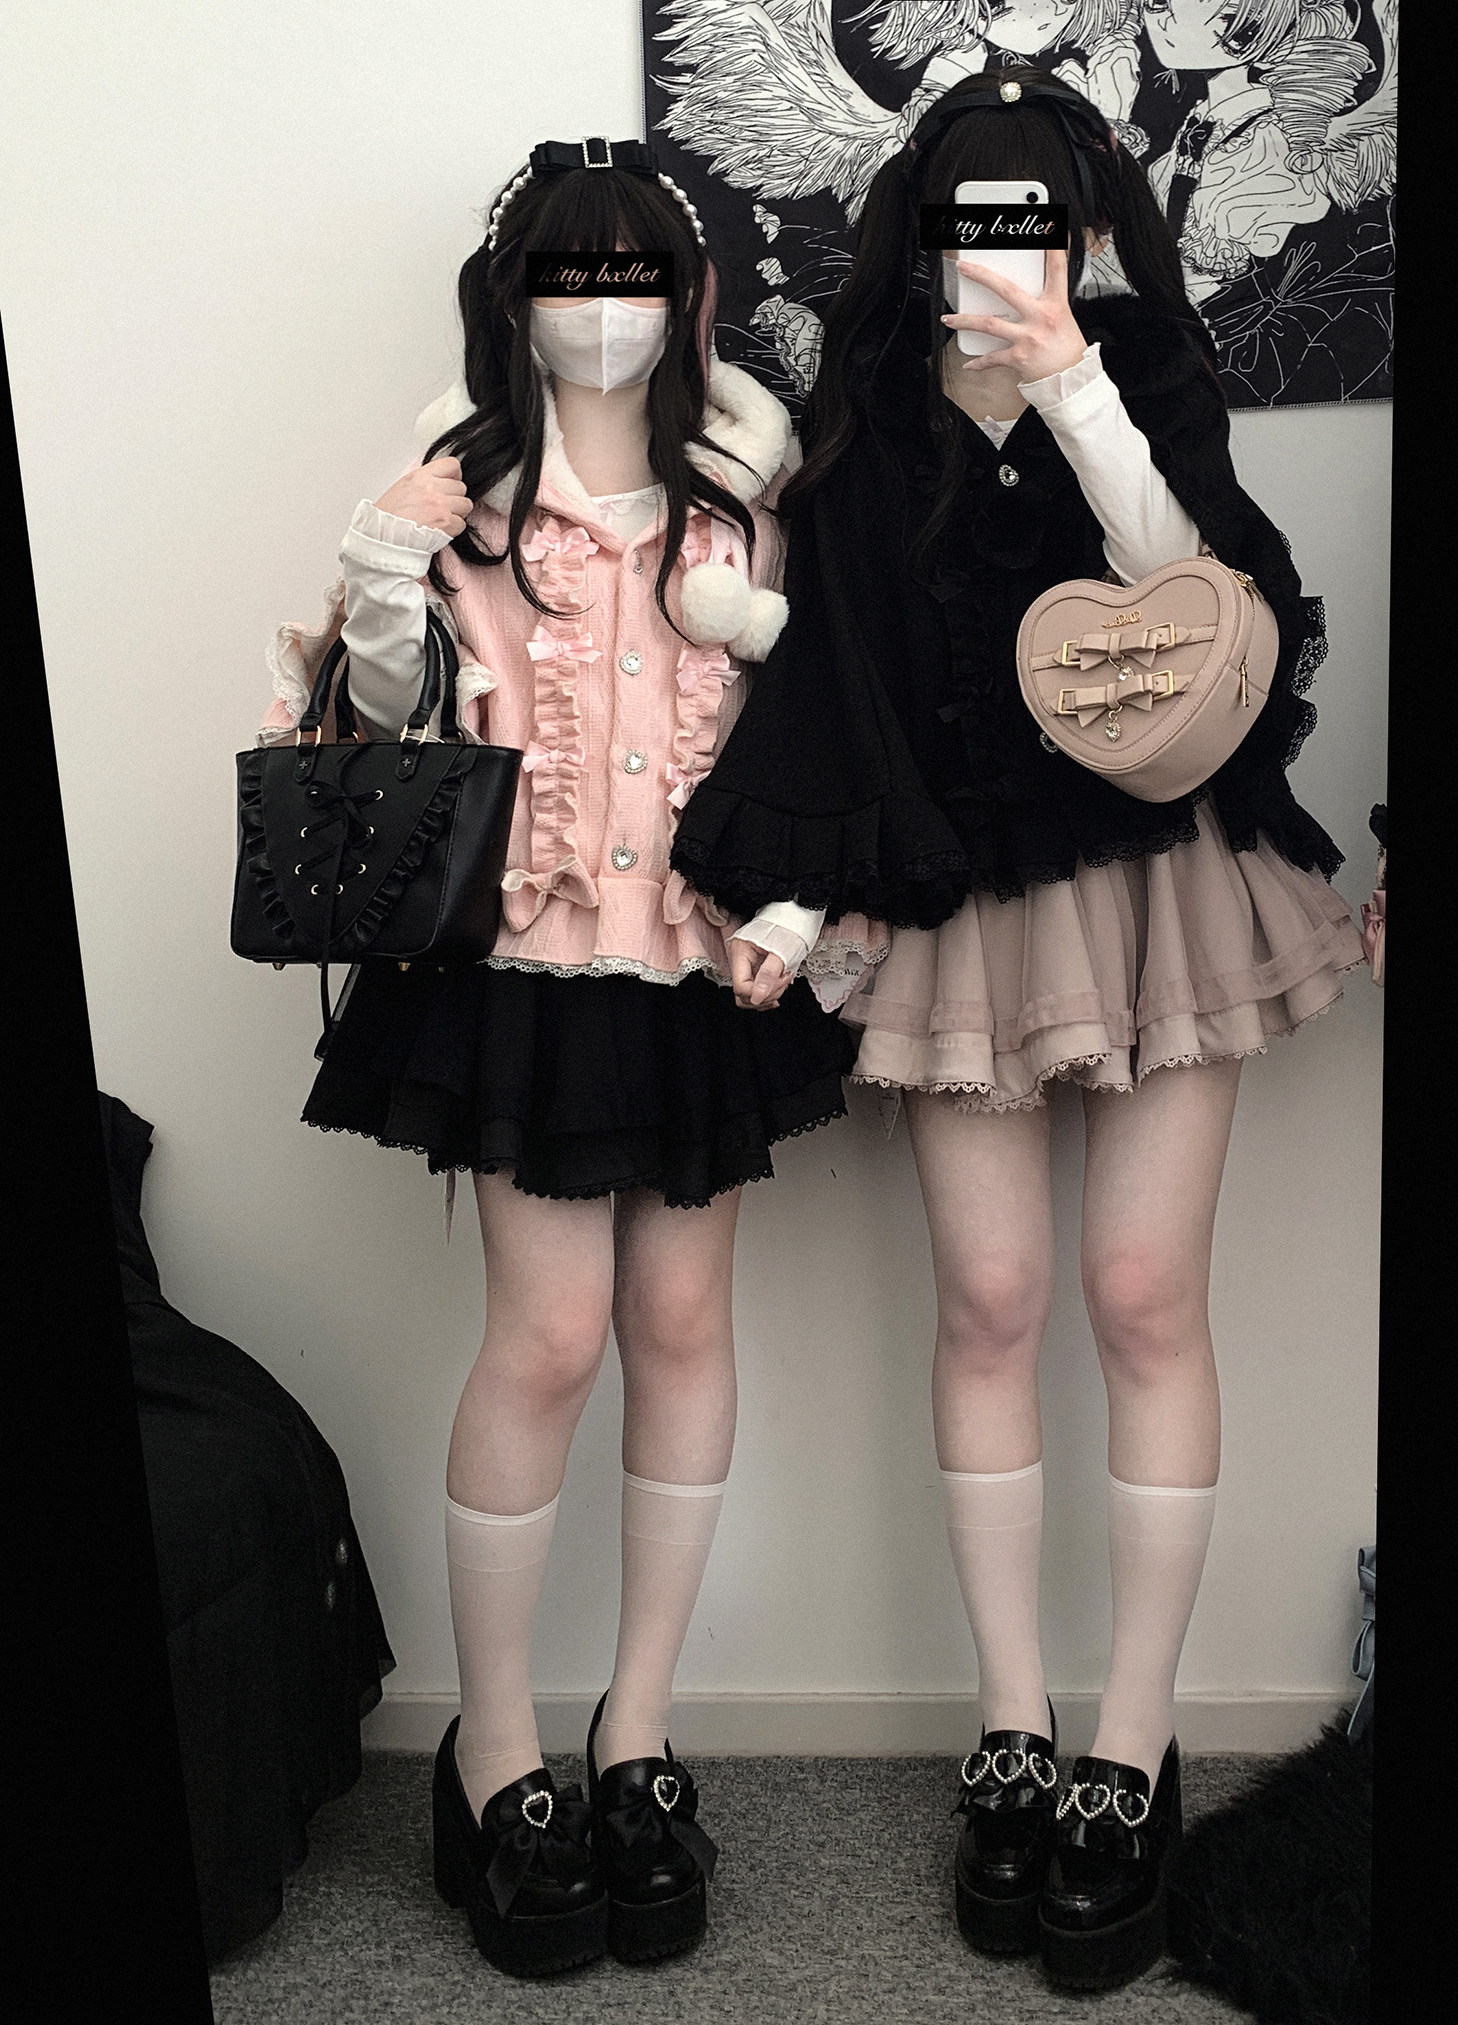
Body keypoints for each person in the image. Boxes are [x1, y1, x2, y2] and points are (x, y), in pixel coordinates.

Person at [671, 67, 1365, 1991]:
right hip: (951, 888)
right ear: (921, 232)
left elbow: (1214, 602)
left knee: (1142, 1295)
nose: (999, 253)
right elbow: (834, 683)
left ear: (1081, 229)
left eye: (1031, 221)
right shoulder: (867, 417)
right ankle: (1009, 1719)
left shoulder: (1142, 370)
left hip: (1158, 881)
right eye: (969, 223)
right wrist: (793, 902)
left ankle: (1129, 1742)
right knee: (987, 1302)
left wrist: (1072, 378)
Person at [255, 136, 856, 1980]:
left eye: (633, 274)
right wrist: (382, 562)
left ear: (688, 297)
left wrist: (793, 909)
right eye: (564, 275)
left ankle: (639, 1729)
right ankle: (495, 1749)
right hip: (519, 968)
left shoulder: (743, 509)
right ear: (510, 297)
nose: (600, 310)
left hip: (695, 974)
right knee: (549, 1337)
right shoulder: (457, 501)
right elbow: (377, 733)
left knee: (680, 1328)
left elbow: (808, 738)